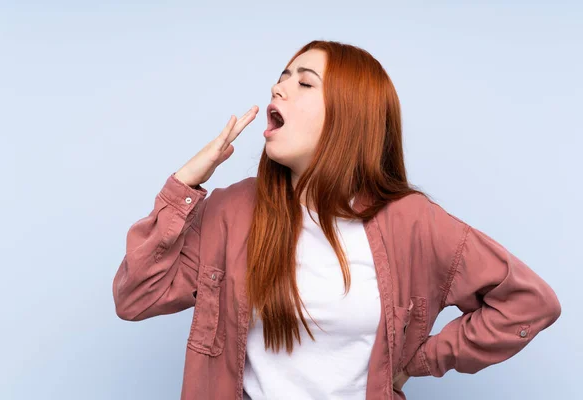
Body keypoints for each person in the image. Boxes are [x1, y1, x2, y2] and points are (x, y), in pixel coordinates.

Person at [112, 40, 561, 400]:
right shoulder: (232, 210)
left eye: (304, 83)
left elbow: (528, 304)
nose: (279, 89)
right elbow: (134, 298)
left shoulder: (412, 224)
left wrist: (420, 362)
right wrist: (186, 183)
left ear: (348, 115)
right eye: (282, 77)